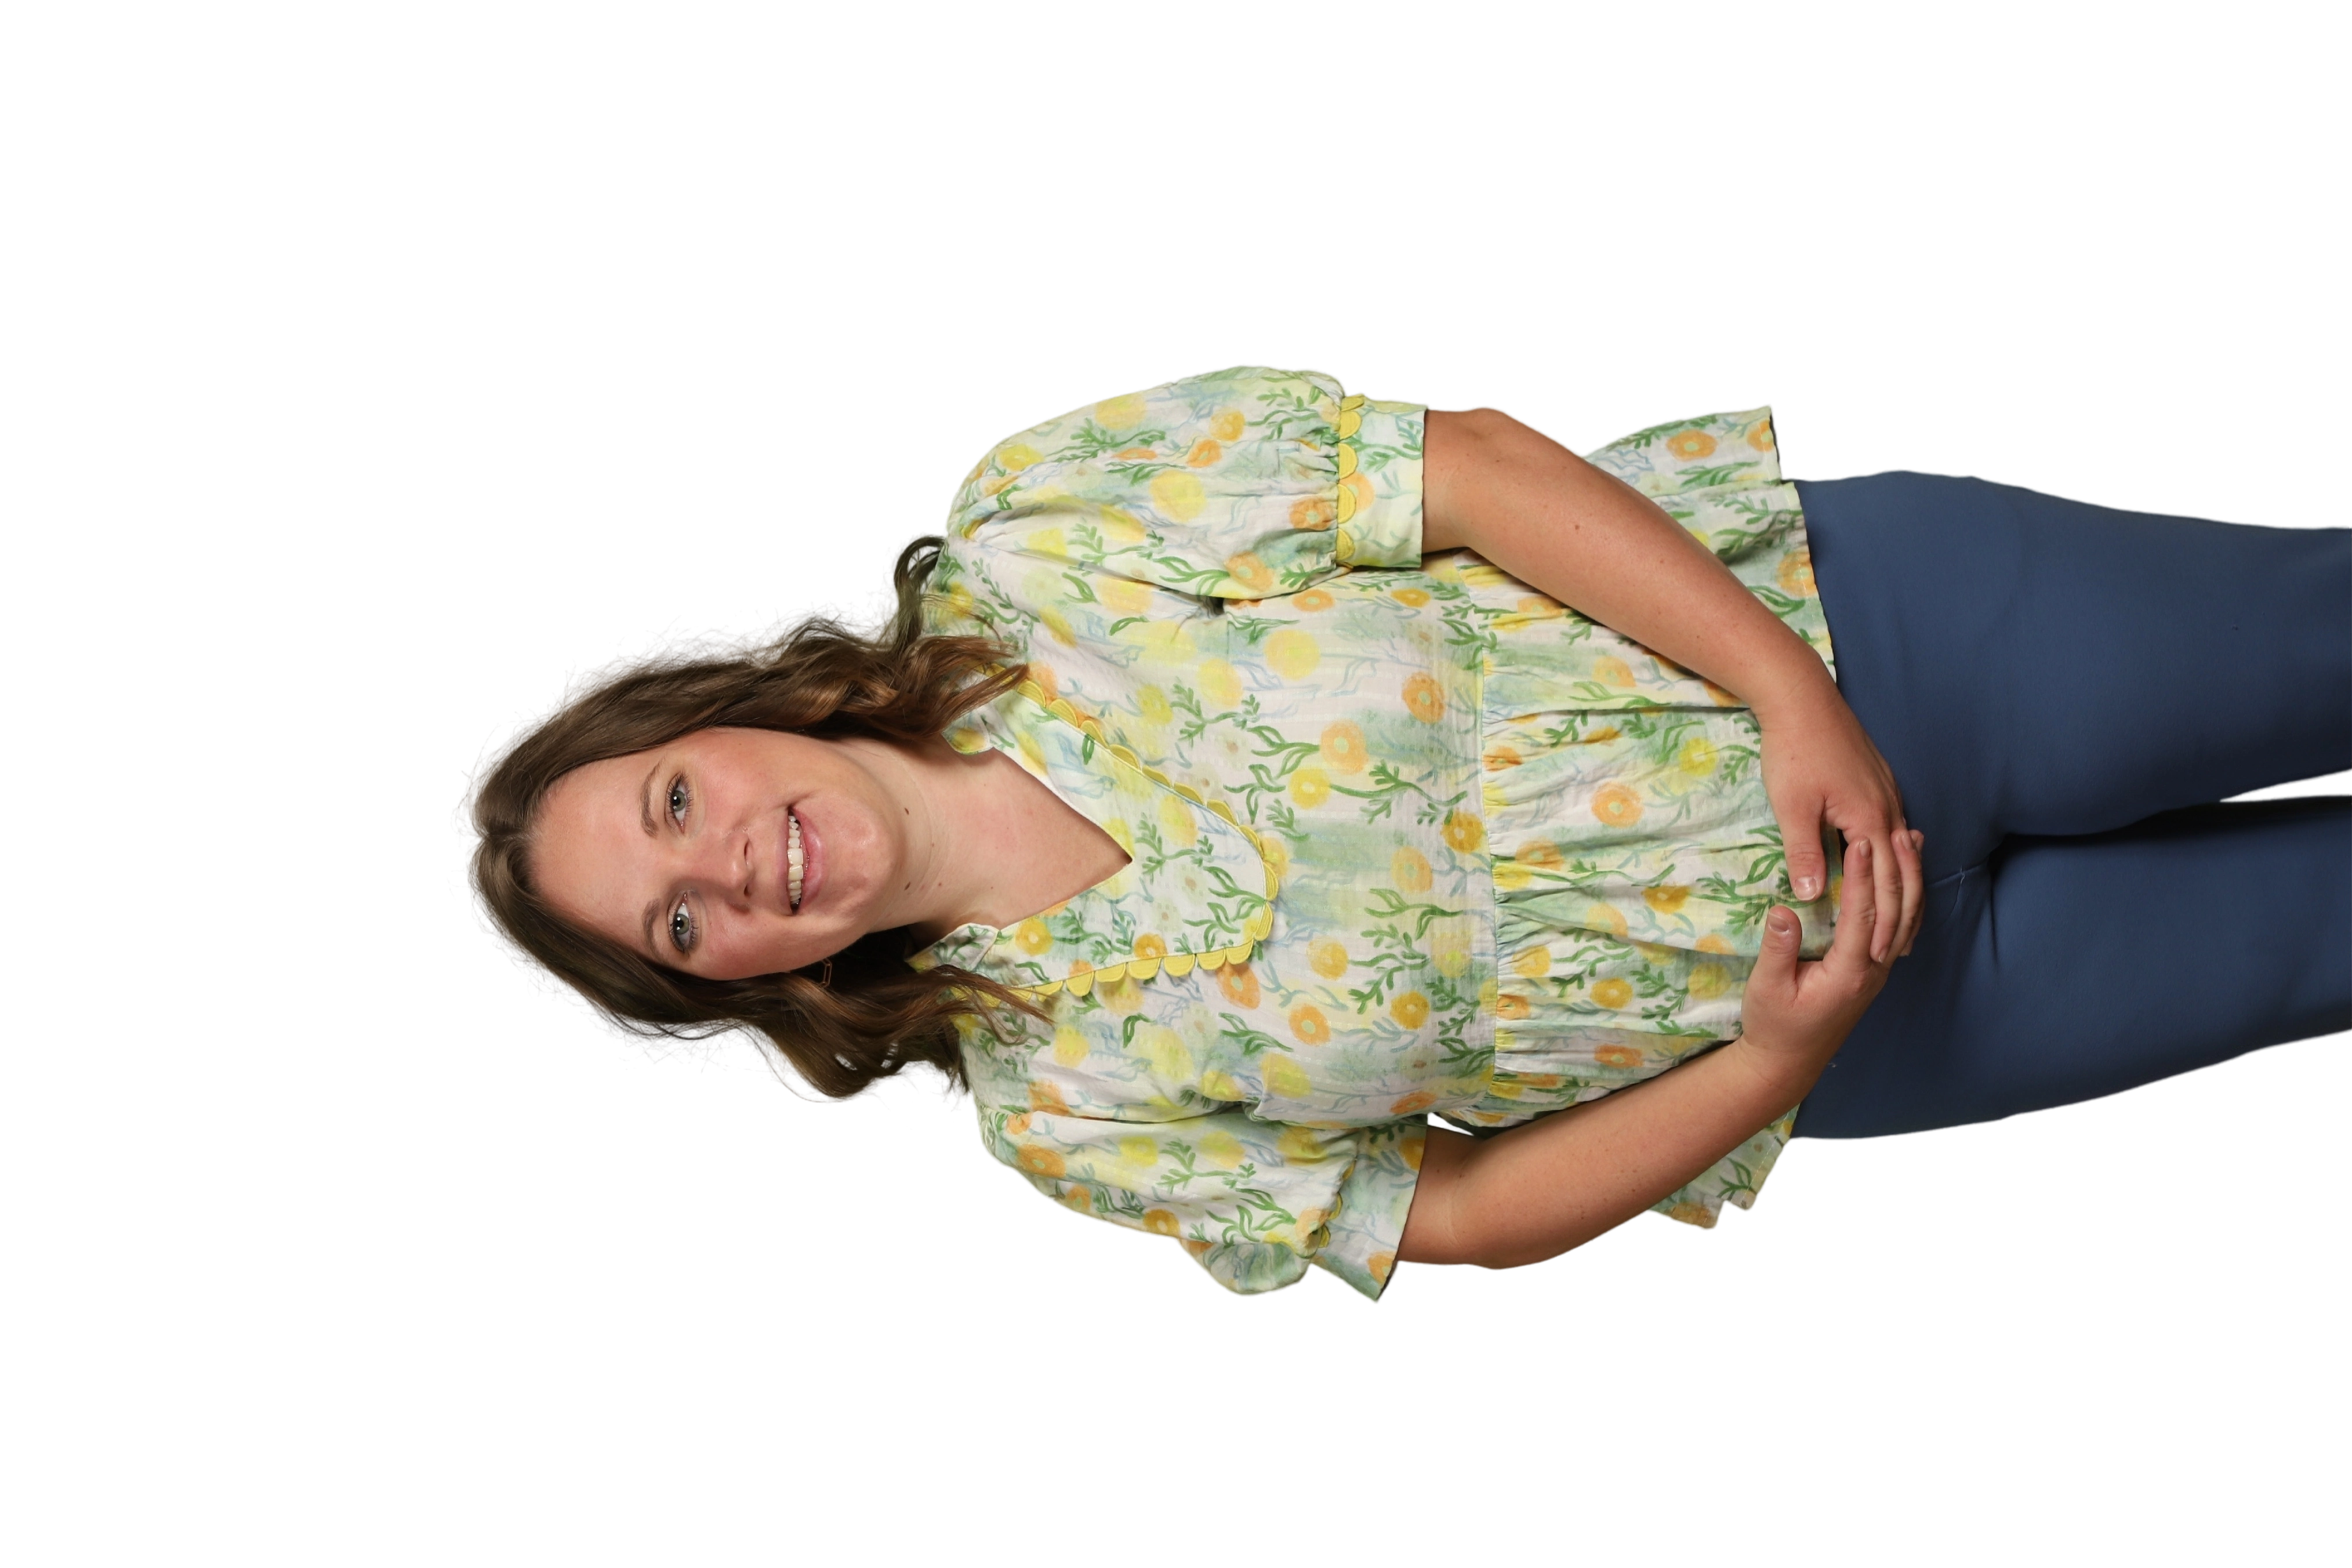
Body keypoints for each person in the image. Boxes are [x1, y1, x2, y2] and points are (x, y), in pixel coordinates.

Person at [448, 363, 2352, 1306]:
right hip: (1897, 1011)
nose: (728, 866)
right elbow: (1459, 1216)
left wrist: (1793, 700)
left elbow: (1473, 471)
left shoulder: (1039, 534)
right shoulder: (1066, 1116)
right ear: (735, 991)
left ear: (713, 712)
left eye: (674, 805)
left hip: (1893, 642)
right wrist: (1779, 1061)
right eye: (678, 926)